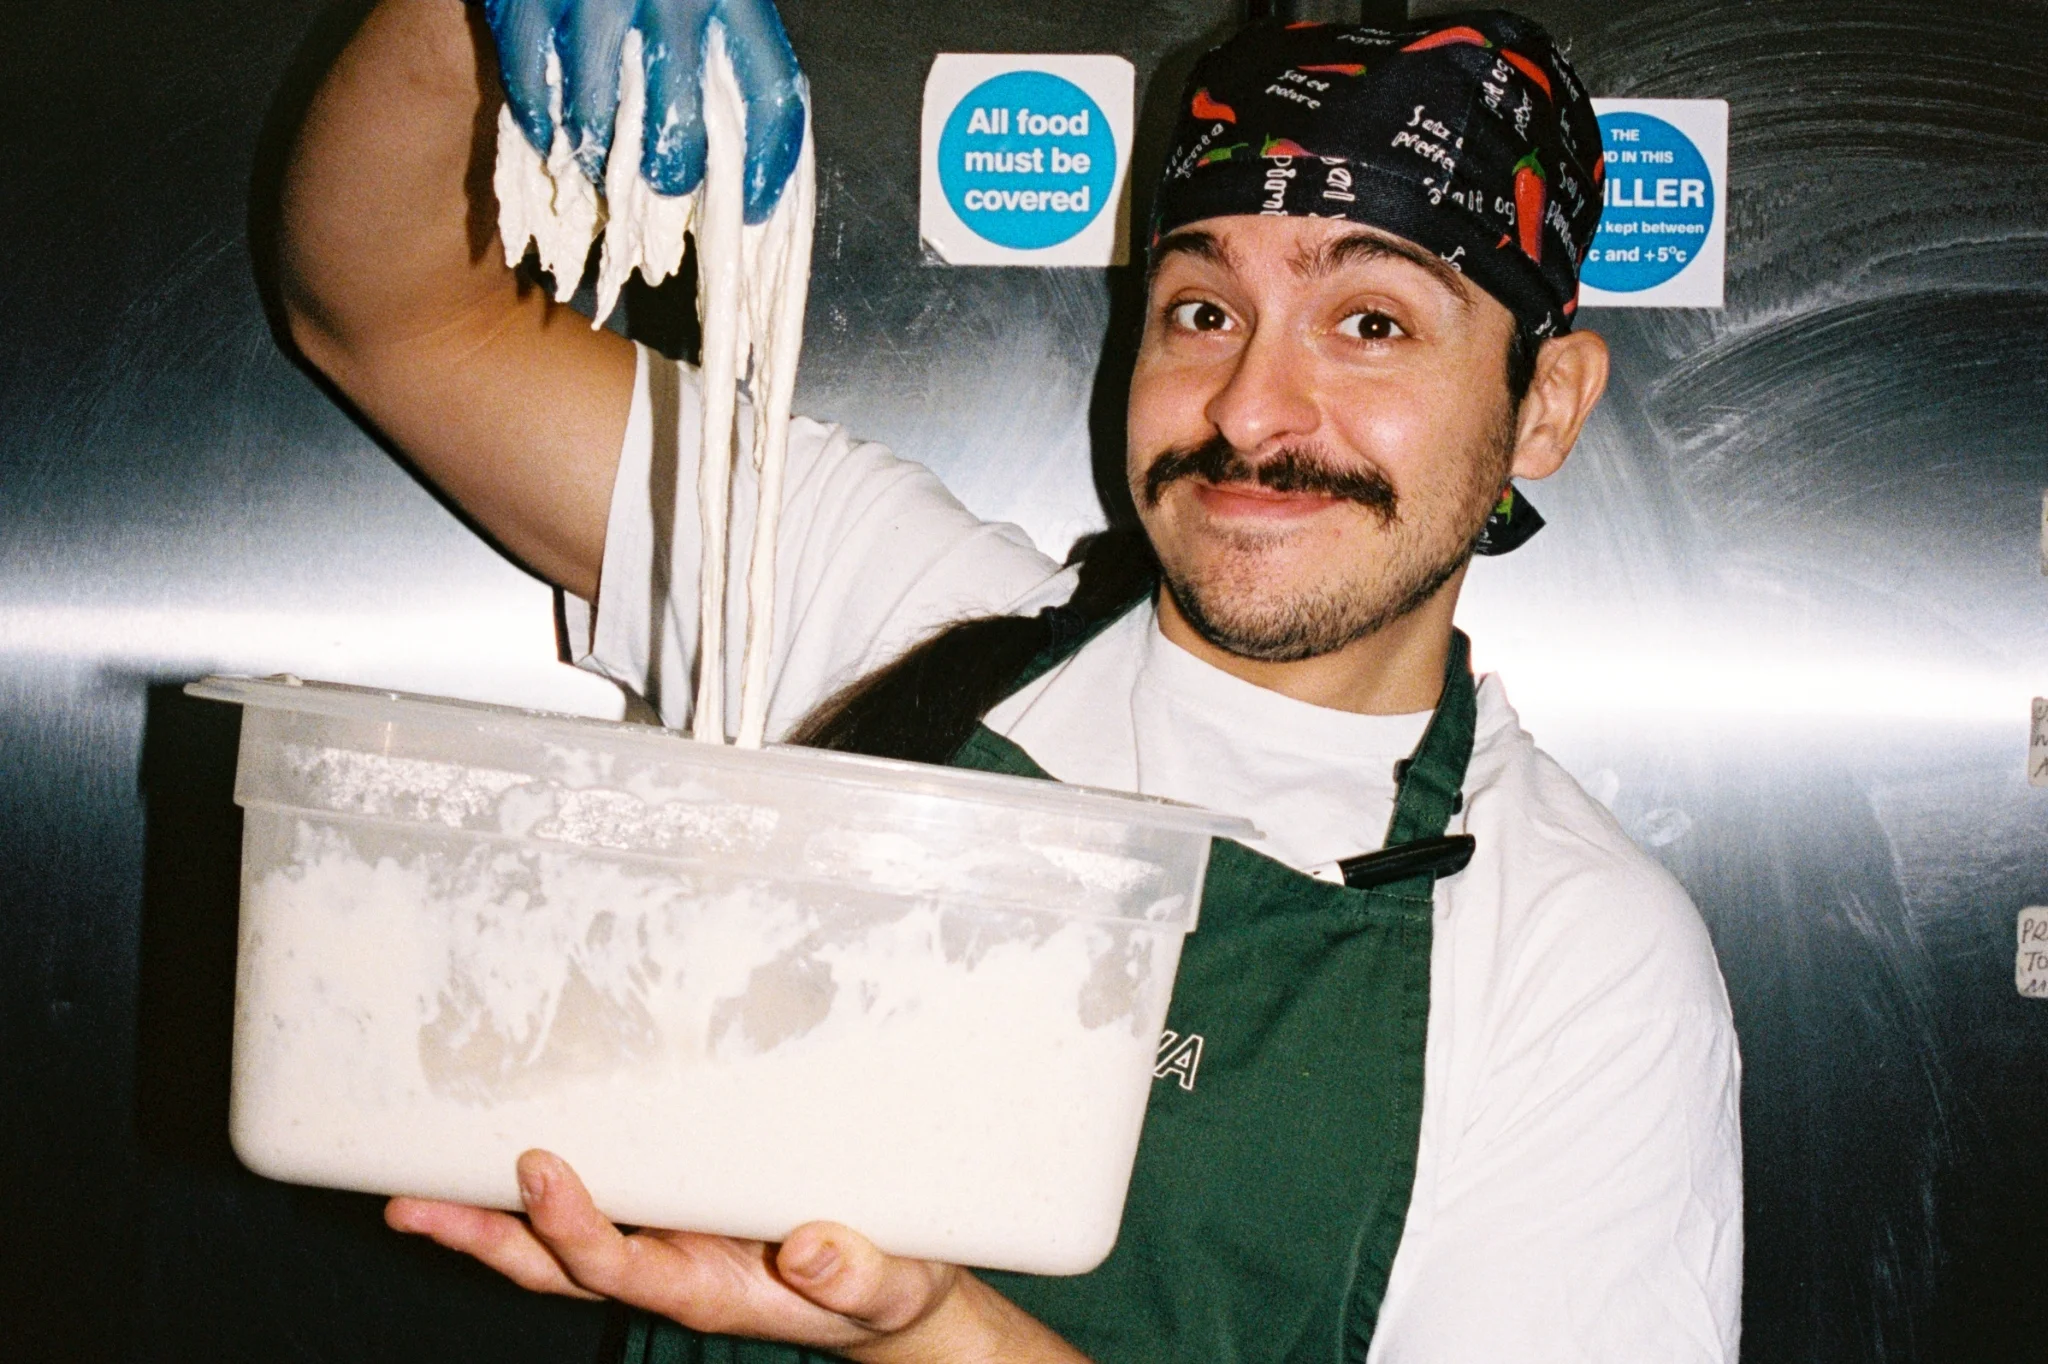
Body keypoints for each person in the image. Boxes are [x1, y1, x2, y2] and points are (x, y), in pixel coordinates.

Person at [276, 2, 1742, 1360]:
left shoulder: (1580, 959)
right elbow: (389, 310)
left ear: (1540, 408)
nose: (1250, 406)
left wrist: (927, 1329)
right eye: (1202, 310)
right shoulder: (885, 606)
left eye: (1371, 323)